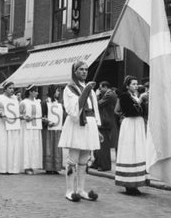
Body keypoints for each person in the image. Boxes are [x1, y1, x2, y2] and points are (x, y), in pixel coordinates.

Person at [58, 61, 101, 202]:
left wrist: (97, 127)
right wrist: (85, 91)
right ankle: (69, 190)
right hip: (77, 125)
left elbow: (94, 109)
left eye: (86, 69)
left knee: (84, 159)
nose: (84, 72)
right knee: (73, 159)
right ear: (75, 71)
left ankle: (81, 189)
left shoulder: (91, 89)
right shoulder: (69, 88)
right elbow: (72, 110)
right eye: (81, 69)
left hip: (89, 124)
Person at [115, 75, 148, 195]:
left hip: (138, 124)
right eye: (133, 84)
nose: (136, 86)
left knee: (138, 150)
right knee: (130, 150)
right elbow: (130, 111)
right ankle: (128, 184)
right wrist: (141, 102)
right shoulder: (124, 96)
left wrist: (142, 101)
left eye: (136, 83)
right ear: (127, 85)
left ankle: (136, 182)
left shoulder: (137, 96)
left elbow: (143, 112)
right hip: (130, 124)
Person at [0, 81, 23, 174]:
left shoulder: (15, 99)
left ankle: (13, 168)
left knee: (13, 145)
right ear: (5, 89)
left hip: (14, 124)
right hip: (4, 124)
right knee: (4, 145)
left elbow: (18, 111)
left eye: (13, 88)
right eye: (10, 88)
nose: (12, 90)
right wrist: (0, 114)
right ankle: (3, 168)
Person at [92, 81, 118, 172]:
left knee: (104, 146)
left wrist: (97, 95)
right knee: (100, 145)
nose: (100, 90)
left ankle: (105, 165)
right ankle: (97, 163)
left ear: (105, 87)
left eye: (100, 88)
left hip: (106, 123)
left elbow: (98, 104)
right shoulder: (109, 94)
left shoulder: (110, 95)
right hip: (105, 122)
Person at [20, 85, 43, 175]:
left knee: (34, 146)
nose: (37, 93)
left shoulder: (38, 102)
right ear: (30, 92)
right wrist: (25, 117)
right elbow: (18, 115)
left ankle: (33, 165)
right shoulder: (24, 102)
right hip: (27, 128)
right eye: (35, 91)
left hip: (36, 127)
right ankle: (26, 166)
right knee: (27, 146)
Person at [41, 85, 64, 174]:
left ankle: (56, 167)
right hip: (49, 129)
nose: (58, 93)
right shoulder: (45, 103)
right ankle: (49, 167)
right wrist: (47, 122)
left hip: (57, 129)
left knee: (57, 147)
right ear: (53, 92)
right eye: (57, 91)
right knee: (49, 147)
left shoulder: (59, 103)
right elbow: (43, 116)